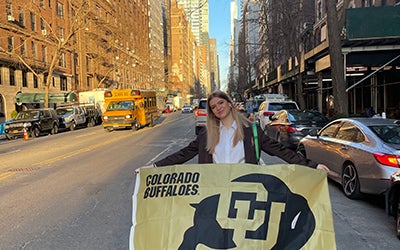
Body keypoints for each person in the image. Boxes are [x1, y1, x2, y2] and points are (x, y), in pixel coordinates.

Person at [136, 90, 331, 173]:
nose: (218, 108)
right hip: (215, 190)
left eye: (221, 103)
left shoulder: (251, 131)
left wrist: (312, 166)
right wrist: (154, 168)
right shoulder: (206, 135)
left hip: (245, 189)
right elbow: (183, 154)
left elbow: (281, 151)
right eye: (213, 106)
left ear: (229, 104)